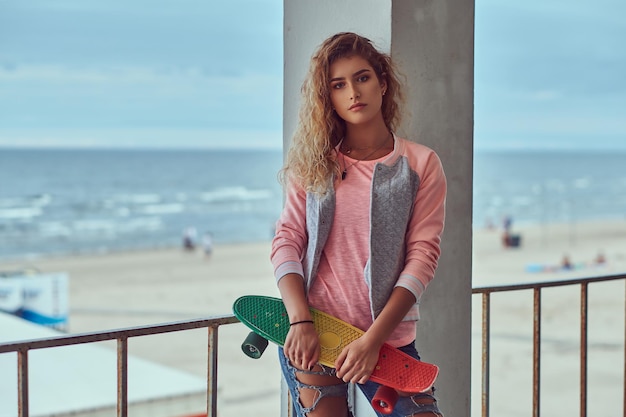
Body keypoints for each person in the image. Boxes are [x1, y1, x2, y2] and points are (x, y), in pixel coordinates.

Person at [270, 32, 447, 417]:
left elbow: (422, 257)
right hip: (316, 332)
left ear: (383, 83)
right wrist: (299, 319)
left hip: (386, 342)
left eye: (362, 77)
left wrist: (372, 341)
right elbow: (287, 240)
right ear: (328, 97)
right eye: (338, 84)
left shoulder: (420, 164)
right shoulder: (315, 164)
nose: (353, 91)